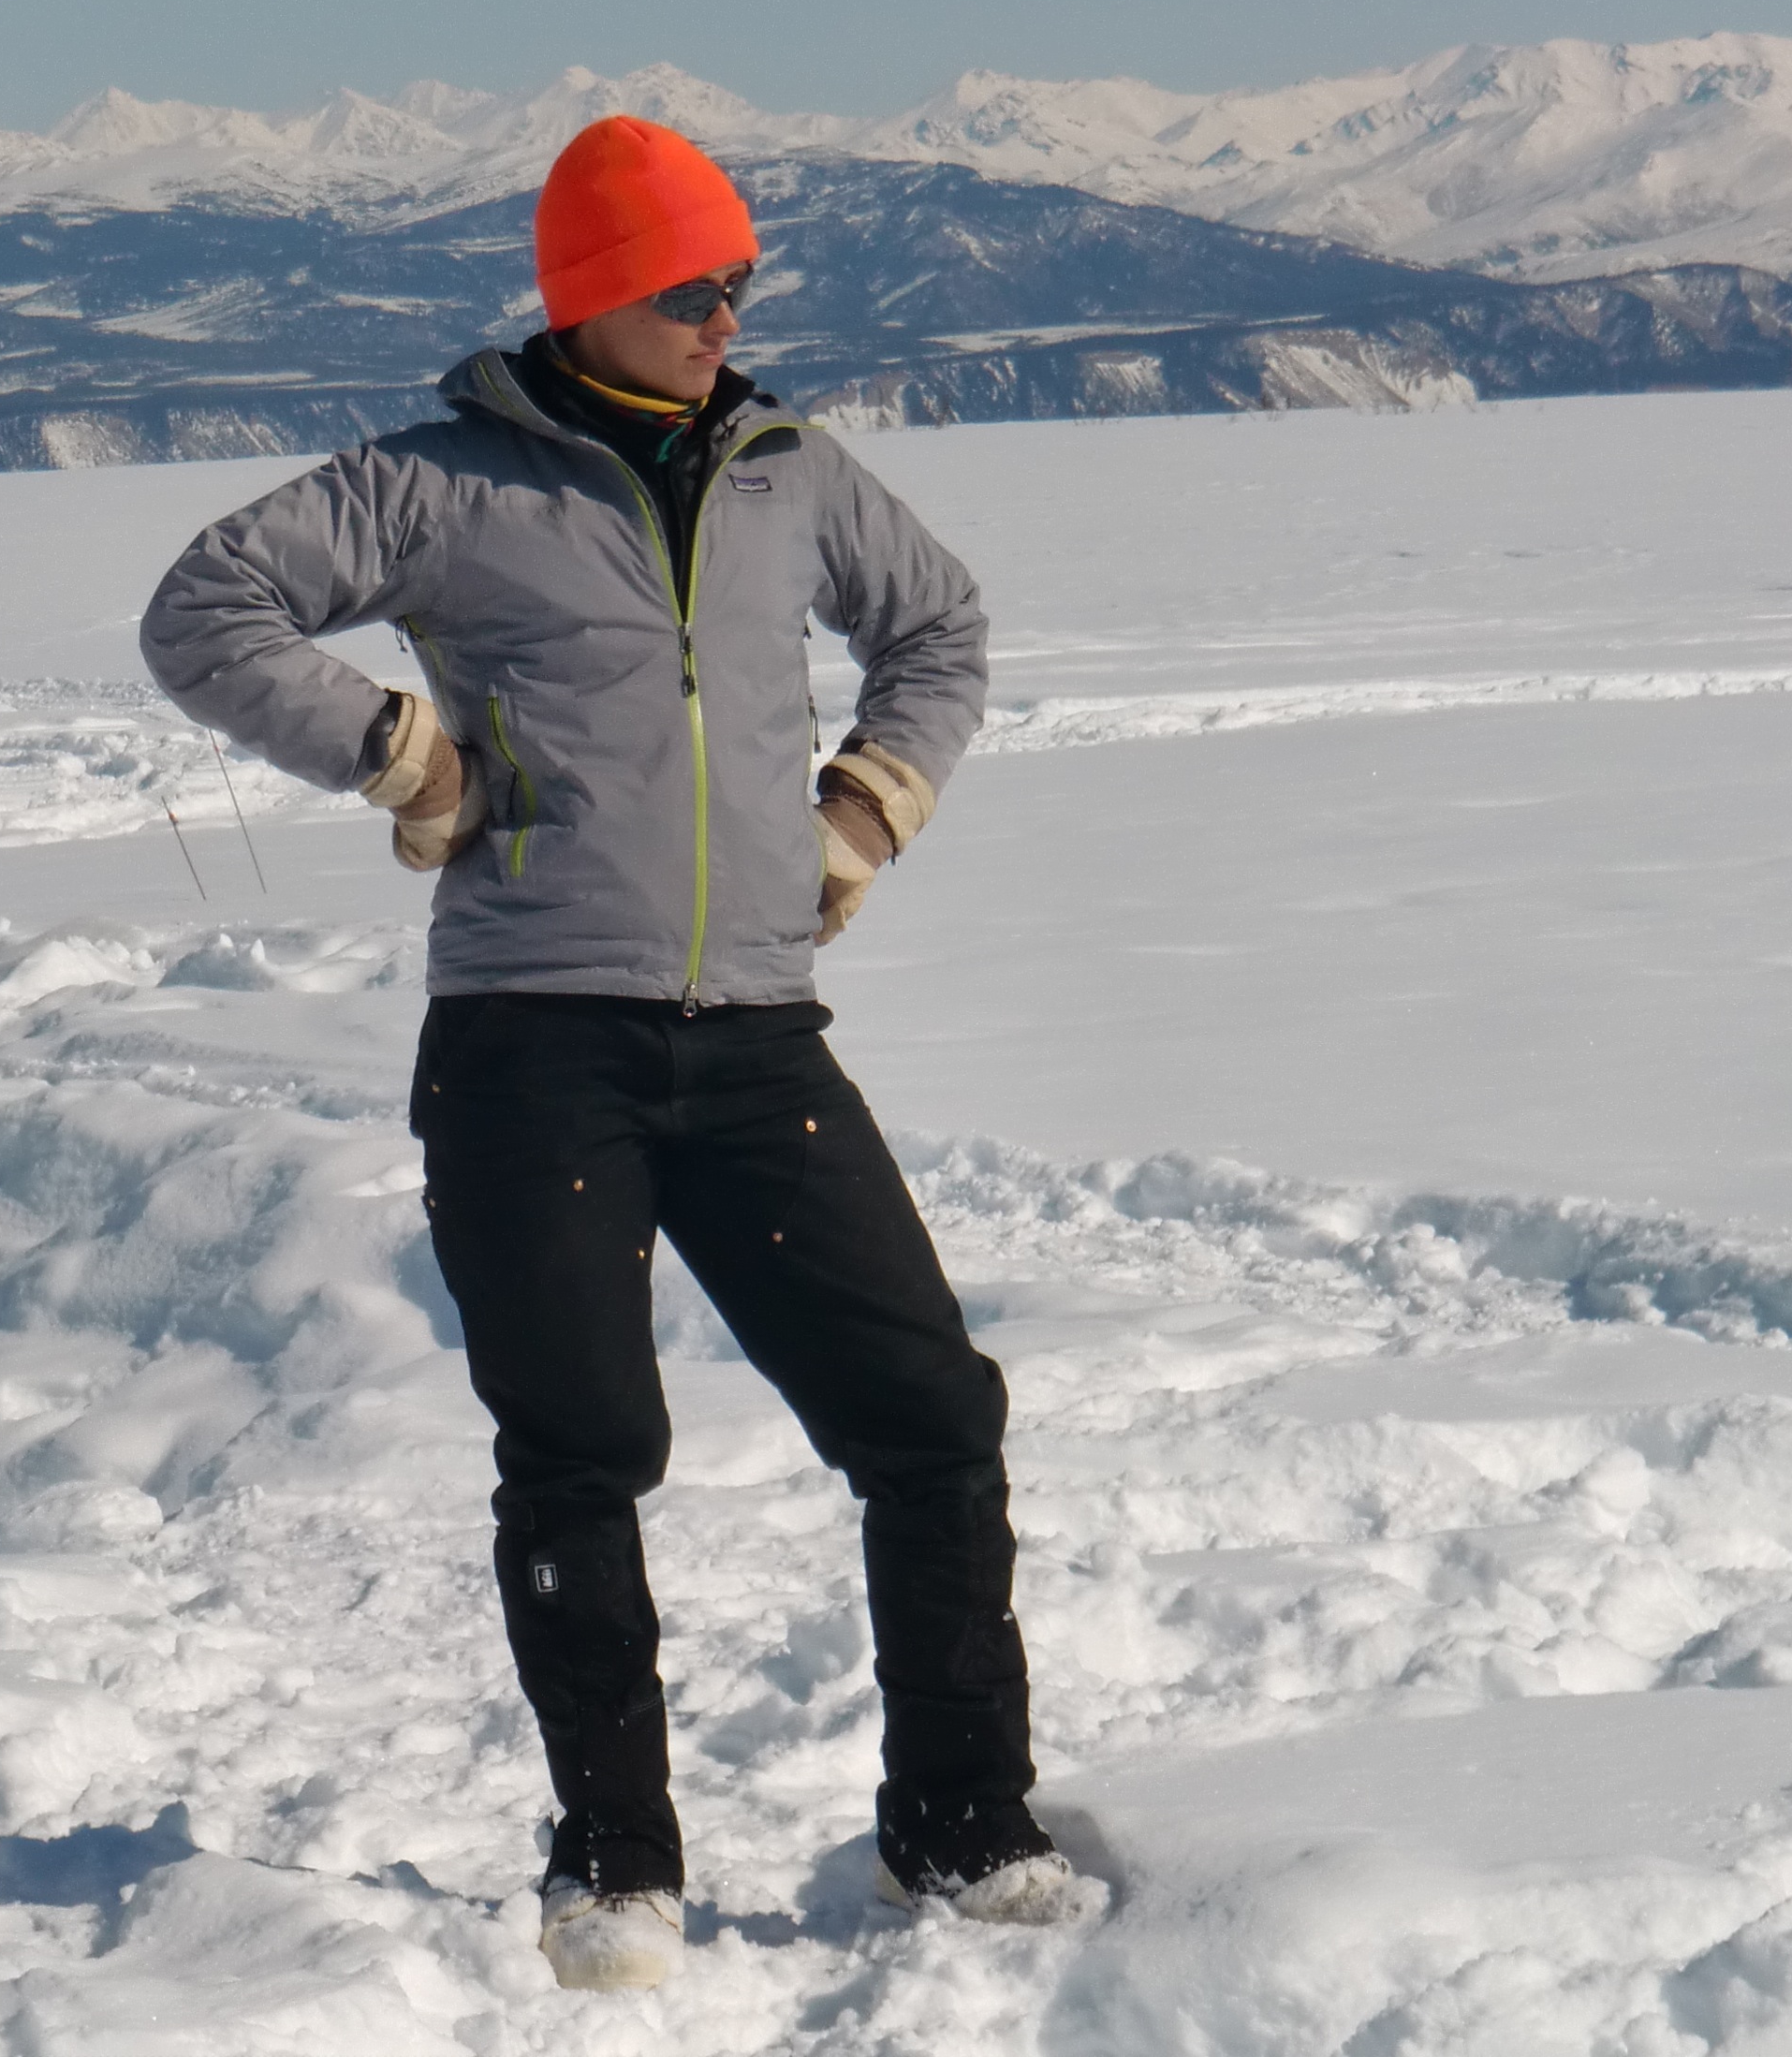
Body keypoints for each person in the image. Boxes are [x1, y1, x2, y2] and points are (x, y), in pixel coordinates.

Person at [140, 115, 1085, 1991]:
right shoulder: (442, 483)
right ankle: (613, 1865)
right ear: (589, 297)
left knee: (931, 1423)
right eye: (689, 289)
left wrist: (863, 812)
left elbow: (939, 625)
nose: (726, 319)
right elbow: (203, 610)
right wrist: (401, 756)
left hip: (758, 1038)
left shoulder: (787, 470)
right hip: (532, 1045)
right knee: (581, 1453)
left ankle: (961, 1824)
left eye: (740, 283)